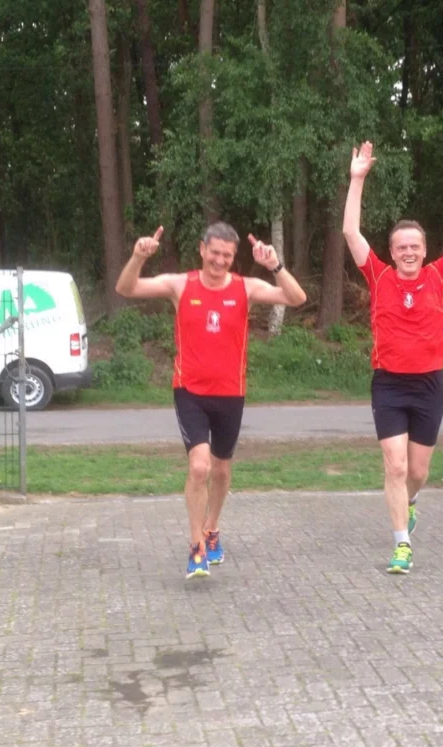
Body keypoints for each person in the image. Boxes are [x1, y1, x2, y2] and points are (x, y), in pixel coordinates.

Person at [115, 222, 306, 579]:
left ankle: (212, 528)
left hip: (231, 393)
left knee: (220, 469)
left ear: (234, 258)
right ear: (202, 249)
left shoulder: (245, 288)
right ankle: (196, 547)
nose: (219, 260)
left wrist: (275, 267)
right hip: (190, 391)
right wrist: (138, 257)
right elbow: (126, 288)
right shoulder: (180, 285)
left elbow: (296, 299)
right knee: (199, 467)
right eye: (214, 252)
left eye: (227, 256)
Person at [342, 141, 443, 575]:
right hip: (388, 384)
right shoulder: (378, 275)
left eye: (414, 246)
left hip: (429, 385)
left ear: (424, 251)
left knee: (417, 472)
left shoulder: (440, 275)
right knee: (396, 464)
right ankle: (401, 543)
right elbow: (351, 232)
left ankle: (413, 503)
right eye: (401, 246)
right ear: (392, 251)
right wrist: (357, 178)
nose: (408, 252)